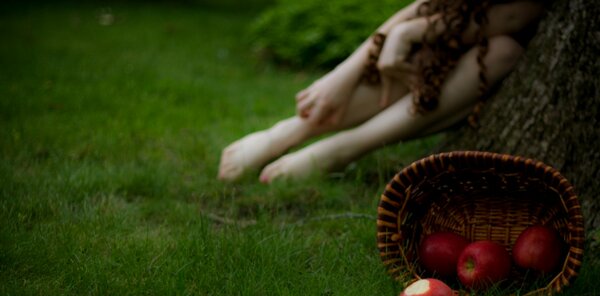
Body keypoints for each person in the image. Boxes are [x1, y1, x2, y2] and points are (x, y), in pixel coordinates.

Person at [218, 0, 544, 183]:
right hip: (455, 39)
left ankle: (341, 149)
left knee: (500, 52)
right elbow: (428, 6)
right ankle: (294, 130)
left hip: (498, 51)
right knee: (425, 56)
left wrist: (410, 32)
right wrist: (345, 73)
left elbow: (518, 13)